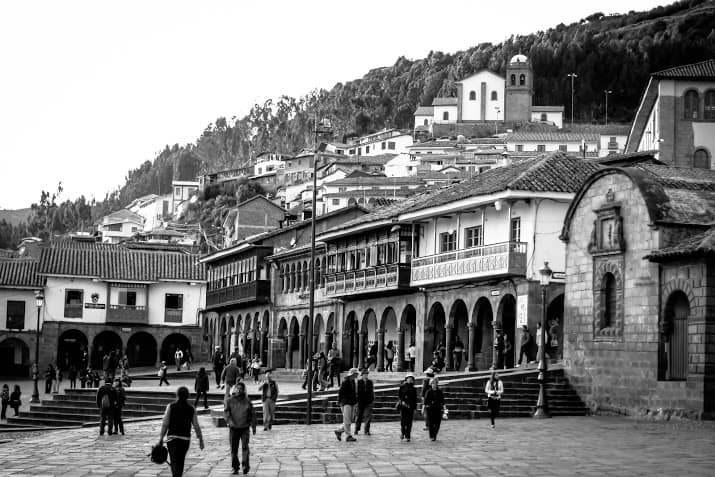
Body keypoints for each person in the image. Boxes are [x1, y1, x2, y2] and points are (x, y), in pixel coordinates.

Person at [158, 386, 205, 477]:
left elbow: (165, 424)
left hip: (172, 439)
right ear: (188, 396)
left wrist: (161, 438)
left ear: (177, 395)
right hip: (185, 439)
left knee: (174, 460)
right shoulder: (191, 408)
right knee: (180, 460)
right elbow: (196, 426)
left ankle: (176, 475)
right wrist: (201, 440)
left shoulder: (171, 406)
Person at [224, 382, 256, 475]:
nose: (238, 390)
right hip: (233, 428)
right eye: (237, 388)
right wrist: (230, 422)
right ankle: (235, 467)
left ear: (243, 390)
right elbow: (226, 413)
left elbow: (252, 414)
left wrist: (253, 426)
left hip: (244, 428)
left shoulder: (247, 401)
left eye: (240, 388)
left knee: (245, 447)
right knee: (233, 449)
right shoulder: (230, 400)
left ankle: (245, 465)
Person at [334, 367, 359, 442]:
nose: (357, 375)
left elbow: (354, 393)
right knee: (347, 419)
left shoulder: (353, 381)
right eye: (356, 374)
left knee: (350, 419)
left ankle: (339, 430)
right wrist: (339, 400)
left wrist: (355, 402)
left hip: (352, 402)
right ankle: (348, 435)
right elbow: (341, 392)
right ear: (352, 374)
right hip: (346, 402)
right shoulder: (346, 381)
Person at [424, 377, 446, 441]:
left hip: (438, 409)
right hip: (430, 409)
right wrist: (425, 407)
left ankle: (434, 434)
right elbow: (425, 401)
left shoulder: (440, 391)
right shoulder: (428, 391)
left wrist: (445, 408)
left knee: (437, 423)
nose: (434, 384)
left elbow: (443, 400)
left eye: (435, 383)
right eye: (433, 383)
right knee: (431, 423)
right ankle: (431, 436)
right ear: (431, 384)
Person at [398, 373, 417, 442]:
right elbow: (399, 395)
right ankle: (403, 432)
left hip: (410, 406)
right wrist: (402, 401)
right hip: (403, 406)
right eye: (409, 378)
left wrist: (415, 408)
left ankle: (408, 436)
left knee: (409, 422)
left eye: (411, 379)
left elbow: (415, 399)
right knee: (403, 421)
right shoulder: (402, 387)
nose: (410, 380)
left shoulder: (414, 389)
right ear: (406, 379)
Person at [355, 369, 374, 435]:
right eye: (364, 374)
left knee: (368, 416)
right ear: (362, 375)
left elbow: (372, 391)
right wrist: (357, 400)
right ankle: (357, 429)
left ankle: (367, 430)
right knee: (359, 416)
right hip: (360, 401)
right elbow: (357, 392)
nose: (366, 375)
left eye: (366, 374)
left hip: (368, 401)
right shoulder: (359, 382)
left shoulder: (370, 382)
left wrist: (372, 399)